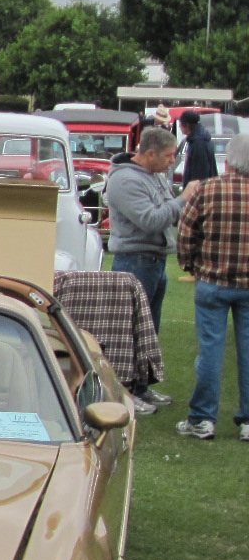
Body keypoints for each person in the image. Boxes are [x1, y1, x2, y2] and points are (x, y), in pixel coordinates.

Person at [106, 126, 199, 409]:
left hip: (155, 260)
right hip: (135, 261)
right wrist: (183, 199)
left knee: (149, 329)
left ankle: (142, 386)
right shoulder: (125, 181)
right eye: (169, 156)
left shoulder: (154, 176)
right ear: (149, 154)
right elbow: (151, 220)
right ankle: (125, 390)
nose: (173, 162)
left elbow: (164, 212)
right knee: (130, 329)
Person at [174, 133, 249, 440]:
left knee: (210, 352)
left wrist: (191, 265)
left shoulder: (207, 189)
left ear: (228, 160)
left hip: (212, 282)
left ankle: (203, 418)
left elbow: (186, 232)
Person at [179, 110, 219, 185]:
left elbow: (200, 174)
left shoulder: (198, 143)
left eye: (180, 124)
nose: (179, 127)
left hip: (199, 192)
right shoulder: (200, 139)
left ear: (187, 125)